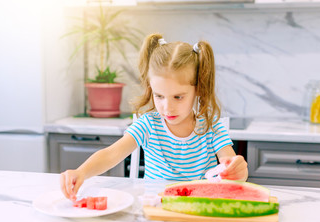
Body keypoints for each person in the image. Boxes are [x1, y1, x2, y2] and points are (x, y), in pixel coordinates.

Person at [60, 33, 248, 200]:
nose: (167, 107)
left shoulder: (210, 126)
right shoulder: (148, 125)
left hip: (198, 209)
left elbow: (231, 165)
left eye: (178, 97)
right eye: (159, 96)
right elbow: (112, 154)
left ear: (198, 89)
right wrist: (81, 172)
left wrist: (237, 171)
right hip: (155, 207)